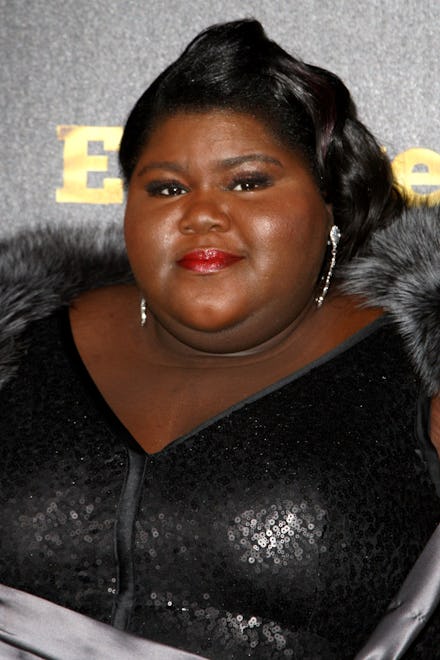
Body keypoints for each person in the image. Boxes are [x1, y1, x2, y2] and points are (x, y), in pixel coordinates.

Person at [0, 18, 439, 660]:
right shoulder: (19, 347)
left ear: (330, 207)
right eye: (167, 187)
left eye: (248, 181)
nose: (200, 212)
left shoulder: (417, 374)